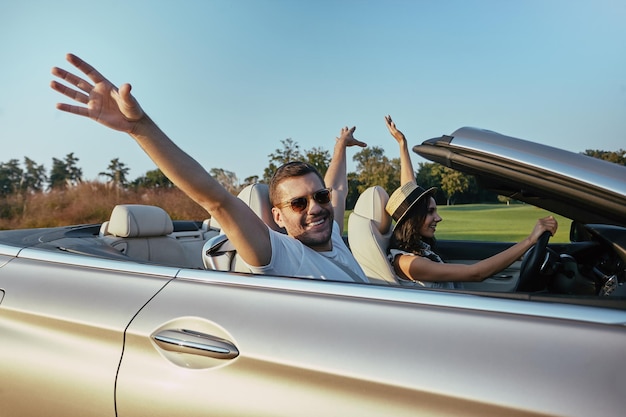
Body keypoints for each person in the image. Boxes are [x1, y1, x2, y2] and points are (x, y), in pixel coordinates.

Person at [50, 53, 368, 283]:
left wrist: (340, 146)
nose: (316, 208)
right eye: (298, 203)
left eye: (320, 197)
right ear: (277, 216)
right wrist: (140, 128)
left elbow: (337, 186)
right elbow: (215, 199)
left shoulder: (333, 236)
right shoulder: (281, 255)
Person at [383, 115, 558, 288]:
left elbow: (409, 187)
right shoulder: (408, 263)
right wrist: (530, 241)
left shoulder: (416, 247)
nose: (438, 218)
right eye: (430, 212)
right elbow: (476, 273)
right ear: (412, 220)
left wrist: (402, 144)